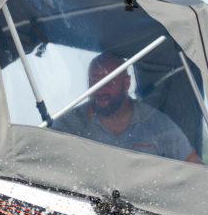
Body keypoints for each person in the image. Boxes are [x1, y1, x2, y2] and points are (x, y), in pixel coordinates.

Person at [52, 51, 198, 161]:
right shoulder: (69, 124)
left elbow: (196, 170)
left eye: (109, 82)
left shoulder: (159, 126)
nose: (100, 90)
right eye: (94, 83)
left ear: (127, 83)